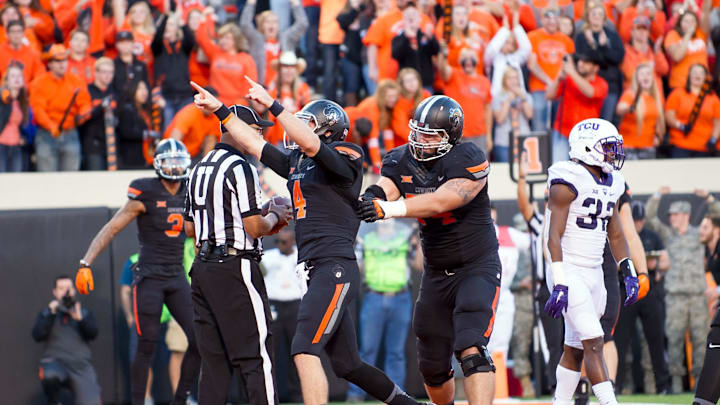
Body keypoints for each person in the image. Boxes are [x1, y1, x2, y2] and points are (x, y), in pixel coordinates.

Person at [191, 78, 428, 405]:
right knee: (348, 364)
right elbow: (253, 145)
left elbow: (314, 147)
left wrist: (274, 105)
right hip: (316, 269)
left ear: (329, 129)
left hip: (334, 266)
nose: (300, 129)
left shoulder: (347, 155)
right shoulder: (297, 163)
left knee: (303, 349)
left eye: (309, 123)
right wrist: (221, 111)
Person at [357, 95, 502, 405]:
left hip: (475, 266)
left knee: (470, 346)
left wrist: (388, 209)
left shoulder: (468, 157)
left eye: (429, 135)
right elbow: (388, 186)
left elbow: (441, 201)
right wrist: (371, 197)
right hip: (436, 273)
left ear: (450, 136)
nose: (420, 140)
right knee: (432, 364)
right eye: (418, 131)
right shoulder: (400, 158)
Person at [75, 139, 201, 405]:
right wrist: (86, 262)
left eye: (180, 162)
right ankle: (138, 401)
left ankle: (181, 399)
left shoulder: (189, 192)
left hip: (176, 275)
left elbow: (200, 230)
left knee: (200, 338)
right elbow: (112, 227)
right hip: (149, 277)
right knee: (147, 344)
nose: (176, 168)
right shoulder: (145, 192)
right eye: (170, 162)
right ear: (158, 164)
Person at [184, 103, 292, 405]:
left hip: (203, 269)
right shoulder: (240, 167)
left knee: (214, 362)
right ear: (235, 130)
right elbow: (255, 227)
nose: (259, 137)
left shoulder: (199, 167)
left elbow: (190, 228)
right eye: (255, 130)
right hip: (235, 266)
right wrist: (277, 215)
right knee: (256, 356)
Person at [542, 118, 647, 405]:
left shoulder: (612, 182)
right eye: (608, 147)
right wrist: (560, 281)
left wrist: (628, 270)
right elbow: (554, 237)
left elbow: (615, 232)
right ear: (587, 147)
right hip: (569, 269)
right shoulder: (566, 180)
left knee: (575, 348)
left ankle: (559, 402)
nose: (614, 154)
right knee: (594, 340)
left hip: (593, 272)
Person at [644, 186, 711, 392]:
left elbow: (717, 214)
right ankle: (675, 386)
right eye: (670, 215)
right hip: (674, 297)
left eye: (674, 214)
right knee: (673, 341)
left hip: (697, 296)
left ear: (685, 215)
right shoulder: (667, 234)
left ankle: (700, 385)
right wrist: (657, 196)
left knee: (701, 341)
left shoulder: (699, 233)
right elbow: (649, 217)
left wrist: (708, 198)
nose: (671, 218)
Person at [347, 219, 419, 402]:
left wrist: (418, 241)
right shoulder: (367, 239)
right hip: (374, 297)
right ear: (376, 223)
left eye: (388, 220)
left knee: (396, 352)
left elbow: (419, 265)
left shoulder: (404, 238)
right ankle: (356, 395)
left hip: (400, 297)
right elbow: (357, 268)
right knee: (367, 350)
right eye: (382, 221)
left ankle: (397, 397)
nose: (386, 223)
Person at [515, 152, 564, 393]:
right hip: (549, 287)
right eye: (547, 199)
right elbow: (524, 205)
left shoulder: (571, 221)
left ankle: (582, 384)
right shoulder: (540, 223)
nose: (549, 203)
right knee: (554, 342)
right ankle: (558, 388)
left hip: (572, 283)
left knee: (578, 338)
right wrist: (522, 177)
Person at [613, 200, 671, 394]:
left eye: (639, 221)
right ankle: (616, 384)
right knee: (620, 340)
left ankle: (663, 385)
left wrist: (653, 265)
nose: (636, 224)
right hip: (625, 289)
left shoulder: (651, 236)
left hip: (648, 289)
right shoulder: (618, 235)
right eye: (633, 220)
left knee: (656, 338)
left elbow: (665, 261)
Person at [32, 275, 101, 405]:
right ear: (55, 292)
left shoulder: (84, 313)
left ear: (74, 290)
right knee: (49, 374)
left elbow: (93, 334)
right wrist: (51, 313)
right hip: (56, 363)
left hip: (81, 367)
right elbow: (37, 335)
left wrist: (80, 320)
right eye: (61, 288)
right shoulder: (47, 313)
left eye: (68, 288)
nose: (65, 292)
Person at [30, 44, 91, 172]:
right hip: (46, 135)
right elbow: (38, 110)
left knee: (71, 178)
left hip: (70, 133)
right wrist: (51, 126)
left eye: (64, 60)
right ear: (50, 63)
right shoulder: (39, 83)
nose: (61, 64)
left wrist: (83, 115)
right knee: (47, 179)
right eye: (57, 61)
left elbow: (84, 102)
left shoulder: (76, 81)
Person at [261, 229, 303, 403]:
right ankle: (272, 393)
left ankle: (297, 394)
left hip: (295, 305)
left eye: (284, 242)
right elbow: (260, 270)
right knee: (272, 351)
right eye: (278, 241)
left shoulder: (300, 257)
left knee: (297, 351)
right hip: (274, 306)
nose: (280, 245)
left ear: (293, 241)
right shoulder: (269, 257)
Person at [546, 53, 608, 163]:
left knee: (582, 172)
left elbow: (590, 92)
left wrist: (572, 72)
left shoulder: (601, 83)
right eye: (580, 61)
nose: (581, 64)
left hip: (586, 137)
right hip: (563, 132)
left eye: (586, 62)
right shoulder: (569, 79)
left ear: (596, 67)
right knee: (560, 170)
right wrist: (558, 79)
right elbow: (549, 96)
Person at [573, 2, 625, 123]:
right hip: (588, 85)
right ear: (588, 16)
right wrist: (593, 45)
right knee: (588, 122)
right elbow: (581, 60)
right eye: (593, 14)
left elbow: (618, 57)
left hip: (609, 85)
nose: (596, 17)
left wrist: (602, 47)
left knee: (605, 124)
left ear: (604, 18)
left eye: (600, 14)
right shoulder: (581, 36)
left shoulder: (612, 35)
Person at [437, 47, 493, 154]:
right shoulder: (454, 75)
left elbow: (488, 110)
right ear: (459, 61)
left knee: (480, 167)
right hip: (456, 134)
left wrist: (489, 135)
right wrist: (443, 53)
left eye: (471, 57)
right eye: (464, 57)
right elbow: (442, 68)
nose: (468, 60)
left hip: (480, 134)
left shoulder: (484, 81)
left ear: (477, 60)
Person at [526, 7, 575, 131]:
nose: (551, 21)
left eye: (555, 17)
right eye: (548, 17)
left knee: (559, 127)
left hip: (561, 89)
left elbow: (570, 65)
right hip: (539, 88)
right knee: (539, 127)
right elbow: (531, 64)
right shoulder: (533, 36)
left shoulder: (567, 41)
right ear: (541, 19)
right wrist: (549, 81)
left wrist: (557, 81)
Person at [240, 0, 308, 87]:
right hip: (262, 87)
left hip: (282, 89)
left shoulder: (286, 38)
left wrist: (295, 3)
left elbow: (302, 24)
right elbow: (245, 24)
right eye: (268, 22)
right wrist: (251, 3)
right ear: (262, 25)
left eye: (275, 22)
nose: (271, 25)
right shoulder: (256, 39)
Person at [195, 15, 258, 106]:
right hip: (214, 102)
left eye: (227, 38)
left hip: (235, 105)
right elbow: (202, 38)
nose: (223, 41)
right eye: (221, 38)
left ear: (236, 40)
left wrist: (239, 106)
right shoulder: (216, 52)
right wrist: (207, 18)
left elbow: (249, 85)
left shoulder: (246, 59)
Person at [664, 64, 720, 158]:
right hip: (681, 145)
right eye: (694, 73)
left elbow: (718, 123)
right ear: (689, 76)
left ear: (705, 77)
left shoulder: (713, 98)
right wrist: (680, 126)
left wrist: (713, 140)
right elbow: (669, 116)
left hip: (705, 147)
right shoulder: (677, 94)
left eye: (701, 73)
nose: (697, 75)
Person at [151, 12, 195, 130]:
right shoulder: (158, 48)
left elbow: (191, 41)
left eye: (171, 24)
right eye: (165, 25)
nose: (167, 27)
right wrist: (165, 17)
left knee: (185, 130)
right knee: (167, 130)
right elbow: (157, 38)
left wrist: (183, 25)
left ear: (177, 28)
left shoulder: (183, 47)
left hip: (185, 96)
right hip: (166, 97)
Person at [693, 212, 720, 405]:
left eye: (705, 227)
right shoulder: (710, 251)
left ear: (716, 229)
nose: (700, 232)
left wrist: (718, 291)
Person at [508, 214, 535, 398]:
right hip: (521, 300)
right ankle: (527, 386)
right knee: (521, 344)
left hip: (543, 299)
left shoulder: (539, 245)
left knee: (552, 344)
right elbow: (506, 282)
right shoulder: (511, 252)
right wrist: (521, 283)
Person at [615, 63, 665, 159]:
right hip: (628, 147)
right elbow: (620, 109)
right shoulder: (629, 95)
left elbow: (658, 121)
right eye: (642, 74)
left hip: (648, 146)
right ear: (636, 78)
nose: (645, 77)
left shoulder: (656, 98)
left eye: (648, 74)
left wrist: (658, 136)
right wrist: (628, 108)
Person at [349, 79, 400, 172]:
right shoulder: (372, 106)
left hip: (365, 139)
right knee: (364, 167)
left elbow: (388, 134)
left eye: (395, 96)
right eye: (390, 96)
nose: (393, 99)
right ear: (382, 96)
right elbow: (373, 138)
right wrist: (377, 163)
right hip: (357, 139)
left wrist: (393, 157)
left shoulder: (387, 107)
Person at [483, 10, 532, 102]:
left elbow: (527, 48)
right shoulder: (493, 58)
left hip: (517, 98)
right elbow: (491, 50)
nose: (508, 46)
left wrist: (516, 27)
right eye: (506, 42)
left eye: (511, 43)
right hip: (497, 100)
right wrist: (504, 30)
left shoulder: (515, 58)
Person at [164, 87, 221, 161]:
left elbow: (211, 141)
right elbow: (174, 139)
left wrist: (205, 164)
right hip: (172, 154)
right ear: (202, 100)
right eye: (211, 102)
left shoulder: (214, 117)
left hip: (192, 155)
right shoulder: (190, 113)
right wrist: (174, 161)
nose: (213, 105)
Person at [391, 2, 439, 90]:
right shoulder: (398, 37)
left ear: (419, 19)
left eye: (413, 15)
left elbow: (436, 51)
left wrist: (431, 38)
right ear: (403, 20)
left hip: (425, 83)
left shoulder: (425, 35)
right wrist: (406, 37)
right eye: (408, 16)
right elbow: (396, 55)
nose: (411, 18)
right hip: (406, 84)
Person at [79, 57, 115, 170]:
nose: (107, 75)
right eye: (104, 72)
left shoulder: (114, 92)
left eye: (110, 72)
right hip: (93, 144)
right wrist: (100, 107)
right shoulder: (87, 90)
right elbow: (81, 117)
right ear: (96, 73)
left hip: (111, 144)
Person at [491, 66, 533, 163]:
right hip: (504, 142)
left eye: (515, 78)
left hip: (523, 141)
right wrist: (508, 101)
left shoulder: (526, 96)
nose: (513, 81)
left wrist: (523, 99)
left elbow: (530, 115)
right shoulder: (498, 97)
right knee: (504, 173)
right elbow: (499, 120)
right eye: (510, 78)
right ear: (504, 80)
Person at [337, 0, 375, 106]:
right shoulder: (348, 12)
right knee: (351, 87)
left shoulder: (369, 11)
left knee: (367, 89)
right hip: (350, 57)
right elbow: (342, 22)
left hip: (366, 57)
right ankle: (350, 117)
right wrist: (355, 9)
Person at [116, 79, 160, 169]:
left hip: (147, 156)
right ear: (133, 90)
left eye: (145, 88)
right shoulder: (127, 109)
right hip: (131, 158)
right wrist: (146, 134)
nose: (144, 92)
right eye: (140, 89)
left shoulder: (147, 110)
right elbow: (126, 132)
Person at [618, 16, 668, 94]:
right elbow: (630, 74)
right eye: (638, 28)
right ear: (632, 31)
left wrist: (658, 52)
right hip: (635, 96)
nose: (642, 32)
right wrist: (643, 53)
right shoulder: (625, 50)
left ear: (648, 33)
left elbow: (664, 70)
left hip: (654, 97)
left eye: (645, 29)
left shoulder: (654, 51)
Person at [664, 10, 708, 89]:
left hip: (702, 84)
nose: (689, 24)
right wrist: (688, 34)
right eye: (686, 21)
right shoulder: (672, 35)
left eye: (692, 21)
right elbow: (677, 56)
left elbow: (706, 14)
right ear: (680, 22)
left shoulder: (700, 33)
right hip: (680, 84)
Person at [0, 64, 31, 172]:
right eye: (13, 76)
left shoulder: (23, 103)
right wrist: (3, 91)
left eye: (19, 76)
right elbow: (3, 94)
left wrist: (25, 138)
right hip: (1, 146)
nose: (16, 79)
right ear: (6, 80)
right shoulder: (3, 98)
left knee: (16, 182)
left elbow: (27, 126)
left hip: (16, 147)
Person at [392, 68, 430, 147]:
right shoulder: (399, 101)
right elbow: (400, 128)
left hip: (426, 140)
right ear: (402, 84)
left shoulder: (426, 95)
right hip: (405, 144)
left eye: (413, 79)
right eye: (408, 81)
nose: (412, 83)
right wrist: (418, 139)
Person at [0, 19, 44, 85]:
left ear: (24, 33)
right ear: (7, 34)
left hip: (26, 92)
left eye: (19, 31)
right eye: (13, 32)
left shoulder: (32, 53)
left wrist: (27, 88)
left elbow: (40, 76)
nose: (16, 35)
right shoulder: (1, 52)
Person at [112, 30, 150, 99]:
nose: (125, 45)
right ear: (117, 45)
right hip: (119, 105)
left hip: (138, 104)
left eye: (128, 42)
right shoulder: (112, 65)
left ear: (133, 43)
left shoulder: (141, 65)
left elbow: (147, 86)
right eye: (122, 42)